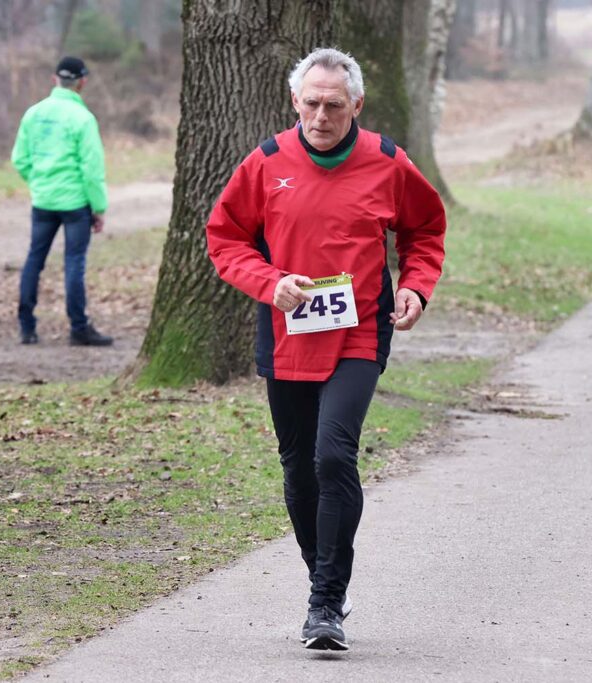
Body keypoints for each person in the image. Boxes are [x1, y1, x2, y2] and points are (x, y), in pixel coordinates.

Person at [206, 48, 446, 652]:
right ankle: (324, 578)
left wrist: (416, 285)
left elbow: (425, 230)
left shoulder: (388, 163)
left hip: (359, 330)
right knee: (297, 468)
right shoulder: (264, 163)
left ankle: (325, 604)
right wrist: (269, 282)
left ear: (356, 105)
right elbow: (225, 238)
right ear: (295, 102)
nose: (320, 115)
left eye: (333, 105)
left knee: (333, 456)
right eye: (310, 103)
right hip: (287, 330)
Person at [11, 56, 112, 346]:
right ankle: (79, 328)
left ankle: (26, 326)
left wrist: (39, 181)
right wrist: (98, 207)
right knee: (74, 263)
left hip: (43, 200)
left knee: (35, 259)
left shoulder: (33, 113)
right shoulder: (83, 119)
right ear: (82, 82)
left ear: (55, 79)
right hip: (74, 203)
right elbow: (91, 170)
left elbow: (20, 158)